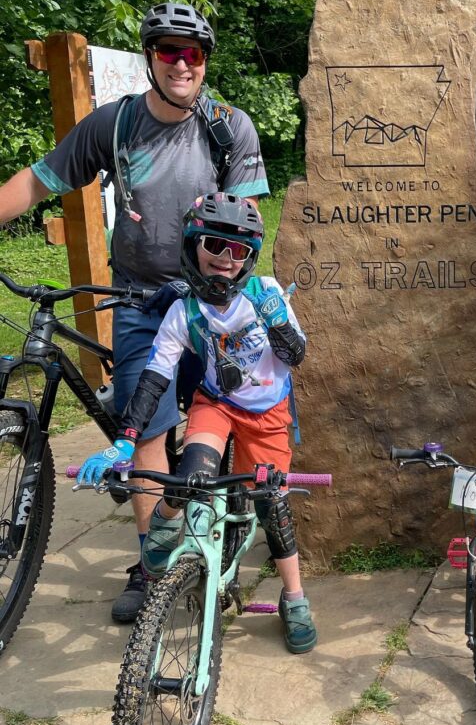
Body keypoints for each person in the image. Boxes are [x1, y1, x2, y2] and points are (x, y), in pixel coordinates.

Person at [0, 2, 269, 621]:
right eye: (169, 51)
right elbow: (41, 180)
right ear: (151, 57)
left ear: (204, 61)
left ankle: (219, 526)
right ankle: (151, 565)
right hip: (138, 298)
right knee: (143, 426)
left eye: (193, 53)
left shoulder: (228, 127)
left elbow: (248, 227)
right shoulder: (114, 126)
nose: (181, 63)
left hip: (210, 301)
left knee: (217, 413)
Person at [76, 193, 316, 654]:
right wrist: (125, 441)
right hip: (217, 402)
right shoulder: (183, 310)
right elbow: (153, 378)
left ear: (251, 256)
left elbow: (297, 357)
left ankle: (294, 597)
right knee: (191, 476)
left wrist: (278, 326)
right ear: (193, 246)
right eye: (214, 245)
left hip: (267, 413)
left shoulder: (265, 292)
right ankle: (164, 529)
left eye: (239, 250)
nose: (226, 259)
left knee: (272, 503)